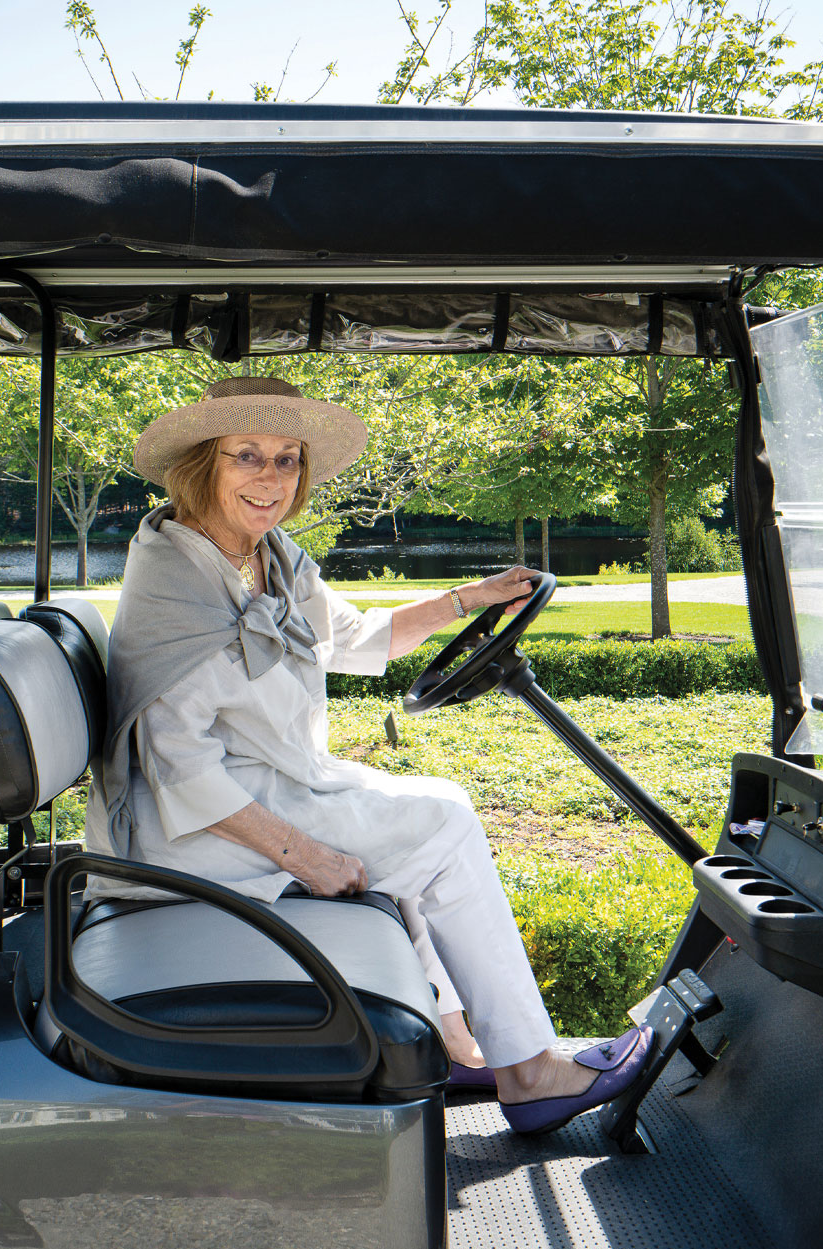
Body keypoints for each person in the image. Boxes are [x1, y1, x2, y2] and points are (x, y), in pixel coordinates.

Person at [86, 375, 651, 1135]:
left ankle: (457, 1043)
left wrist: (466, 601)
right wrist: (304, 855)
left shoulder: (267, 555)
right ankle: (529, 1073)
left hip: (266, 786)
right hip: (189, 833)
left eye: (287, 459)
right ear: (200, 466)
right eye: (246, 455)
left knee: (418, 814)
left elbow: (351, 637)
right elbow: (176, 765)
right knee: (441, 823)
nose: (271, 477)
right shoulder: (175, 580)